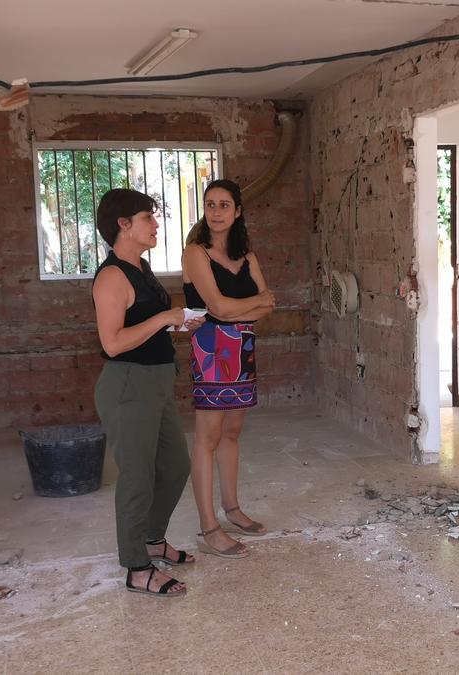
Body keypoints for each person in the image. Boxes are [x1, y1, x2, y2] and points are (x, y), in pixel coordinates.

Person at [92, 188, 204, 596]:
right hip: (128, 385)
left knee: (174, 466)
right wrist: (164, 318)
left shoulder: (142, 268)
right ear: (124, 225)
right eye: (148, 218)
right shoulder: (111, 277)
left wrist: (177, 324)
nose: (156, 224)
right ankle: (137, 568)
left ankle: (153, 540)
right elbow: (113, 343)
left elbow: (147, 325)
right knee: (137, 477)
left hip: (156, 381)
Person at [182, 179, 276, 559]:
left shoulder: (247, 256)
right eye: (210, 204)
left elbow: (269, 307)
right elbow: (217, 309)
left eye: (224, 205)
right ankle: (209, 526)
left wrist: (244, 307)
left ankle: (233, 509)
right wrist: (251, 304)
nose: (216, 211)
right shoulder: (195, 253)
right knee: (208, 436)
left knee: (233, 432)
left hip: (243, 347)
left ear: (237, 211)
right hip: (211, 350)